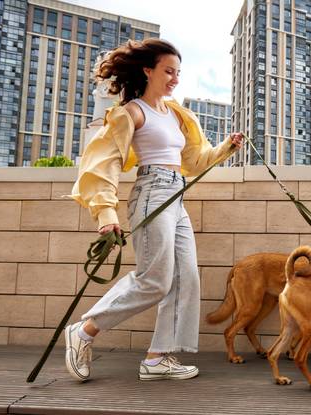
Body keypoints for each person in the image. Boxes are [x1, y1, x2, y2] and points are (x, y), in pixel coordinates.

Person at [66, 38, 243, 382]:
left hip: (176, 196)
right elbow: (104, 162)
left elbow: (193, 162)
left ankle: (158, 357)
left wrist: (227, 148)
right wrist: (106, 214)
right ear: (148, 71)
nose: (175, 78)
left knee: (185, 278)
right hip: (151, 193)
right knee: (155, 280)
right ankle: (85, 330)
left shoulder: (176, 114)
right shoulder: (131, 112)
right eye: (168, 71)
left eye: (178, 72)